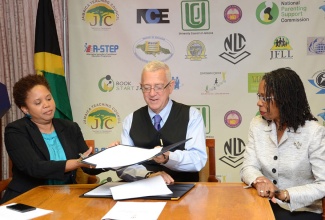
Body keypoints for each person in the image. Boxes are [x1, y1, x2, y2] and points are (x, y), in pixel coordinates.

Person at [0, 74, 102, 204]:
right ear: (25, 109)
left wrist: (110, 159)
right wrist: (77, 163)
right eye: (38, 102)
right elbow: (34, 167)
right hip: (28, 198)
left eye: (49, 98)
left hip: (67, 198)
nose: (46, 105)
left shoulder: (70, 127)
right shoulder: (15, 130)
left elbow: (88, 166)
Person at [240, 67, 325, 220]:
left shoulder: (314, 132)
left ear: (285, 99)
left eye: (266, 98)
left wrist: (284, 194)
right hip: (263, 205)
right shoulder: (257, 124)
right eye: (259, 96)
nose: (259, 103)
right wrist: (260, 182)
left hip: (302, 210)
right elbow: (248, 166)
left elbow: (323, 184)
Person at [115, 60, 207, 183]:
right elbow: (125, 166)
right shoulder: (130, 120)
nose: (152, 93)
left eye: (158, 87)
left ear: (171, 87)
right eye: (146, 88)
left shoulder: (192, 116)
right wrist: (148, 175)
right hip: (142, 188)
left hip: (182, 188)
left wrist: (168, 158)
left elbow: (198, 159)